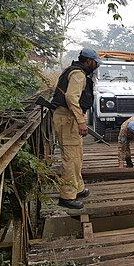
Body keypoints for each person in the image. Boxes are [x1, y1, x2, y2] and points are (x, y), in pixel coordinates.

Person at [50, 48, 103, 209]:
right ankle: (67, 196)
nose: (96, 66)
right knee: (71, 158)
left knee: (77, 155)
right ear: (88, 61)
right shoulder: (78, 74)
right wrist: (81, 121)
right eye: (95, 63)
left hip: (69, 117)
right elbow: (71, 97)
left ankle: (77, 188)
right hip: (68, 119)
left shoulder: (75, 71)